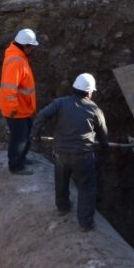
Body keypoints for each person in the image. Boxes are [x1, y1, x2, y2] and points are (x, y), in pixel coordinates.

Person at [32, 72, 109, 232]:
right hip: (83, 156)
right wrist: (104, 147)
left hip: (60, 153)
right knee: (87, 188)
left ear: (74, 88)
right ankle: (85, 223)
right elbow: (103, 134)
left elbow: (41, 116)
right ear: (89, 92)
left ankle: (62, 207)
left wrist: (36, 135)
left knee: (61, 180)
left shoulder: (60, 103)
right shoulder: (95, 110)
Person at [0, 29, 40, 175]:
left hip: (23, 108)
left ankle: (21, 158)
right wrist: (13, 108)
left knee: (25, 135)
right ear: (26, 46)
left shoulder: (19, 57)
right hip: (16, 110)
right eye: (31, 47)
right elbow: (9, 88)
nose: (32, 50)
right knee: (19, 139)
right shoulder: (16, 61)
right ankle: (15, 165)